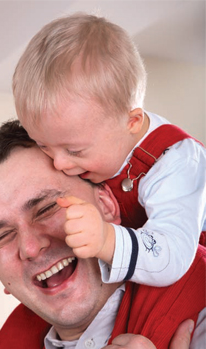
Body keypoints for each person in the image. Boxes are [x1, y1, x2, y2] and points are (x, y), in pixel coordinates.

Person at [0, 121, 205, 349]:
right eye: (1, 237)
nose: (30, 248)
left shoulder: (200, 303)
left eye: (46, 208)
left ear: (107, 205)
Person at [12, 12, 206, 287]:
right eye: (44, 146)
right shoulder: (87, 136)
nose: (58, 163)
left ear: (132, 122)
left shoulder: (176, 160)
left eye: (74, 151)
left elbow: (171, 257)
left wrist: (106, 239)